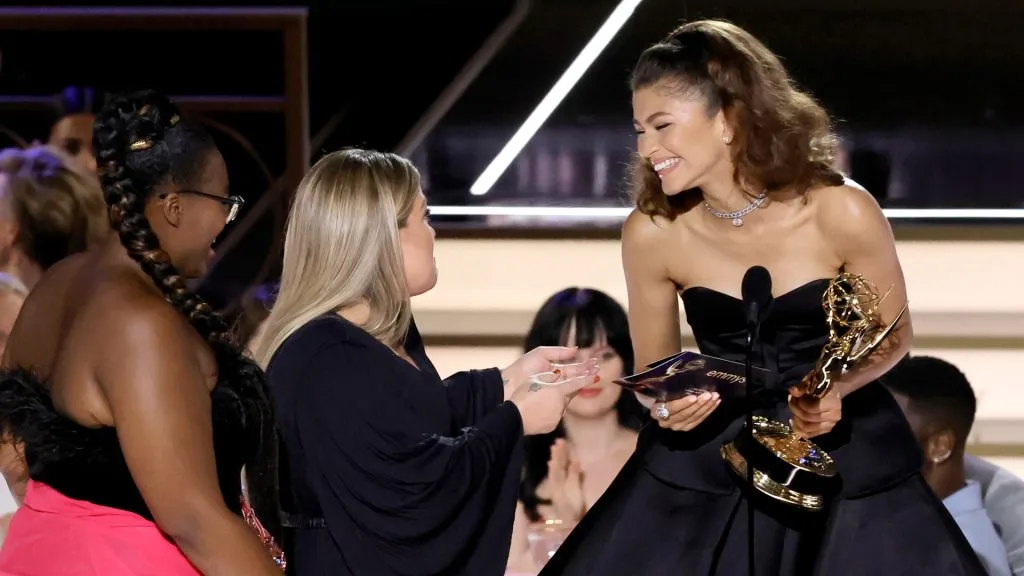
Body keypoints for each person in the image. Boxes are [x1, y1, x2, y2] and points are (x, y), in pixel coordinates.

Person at [539, 20, 985, 576]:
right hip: (714, 456)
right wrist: (667, 406)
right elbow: (658, 372)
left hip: (837, 445)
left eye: (662, 126)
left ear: (727, 121)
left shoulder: (840, 210)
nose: (647, 149)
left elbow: (894, 333)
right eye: (638, 131)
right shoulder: (652, 232)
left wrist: (837, 388)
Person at [253, 148, 598, 576]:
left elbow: (407, 421)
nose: (433, 233)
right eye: (424, 217)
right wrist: (514, 420)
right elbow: (410, 499)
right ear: (382, 237)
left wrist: (504, 384)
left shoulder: (374, 341)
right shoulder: (326, 359)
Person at [0, 90, 283, 574]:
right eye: (224, 202)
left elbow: (14, 457)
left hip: (37, 551)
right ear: (174, 207)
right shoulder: (140, 324)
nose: (227, 220)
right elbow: (194, 521)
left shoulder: (54, 285)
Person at [508, 288, 645, 574]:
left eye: (604, 356)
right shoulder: (513, 467)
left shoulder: (656, 458)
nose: (588, 374)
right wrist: (559, 530)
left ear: (627, 361)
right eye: (570, 359)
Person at [885, 355, 1012, 576]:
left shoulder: (957, 553)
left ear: (940, 447)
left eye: (890, 432)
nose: (871, 447)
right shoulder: (943, 535)